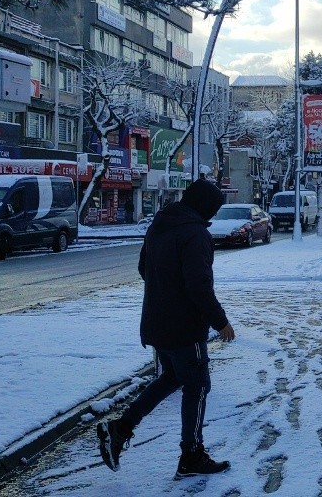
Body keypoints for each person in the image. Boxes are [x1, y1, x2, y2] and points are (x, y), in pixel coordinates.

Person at [97, 179, 236, 478]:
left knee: (173, 377)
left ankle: (120, 428)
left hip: (158, 322)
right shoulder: (195, 233)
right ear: (205, 206)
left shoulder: (160, 225)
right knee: (198, 387)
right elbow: (199, 287)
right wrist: (221, 322)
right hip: (185, 328)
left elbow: (143, 270)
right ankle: (192, 455)